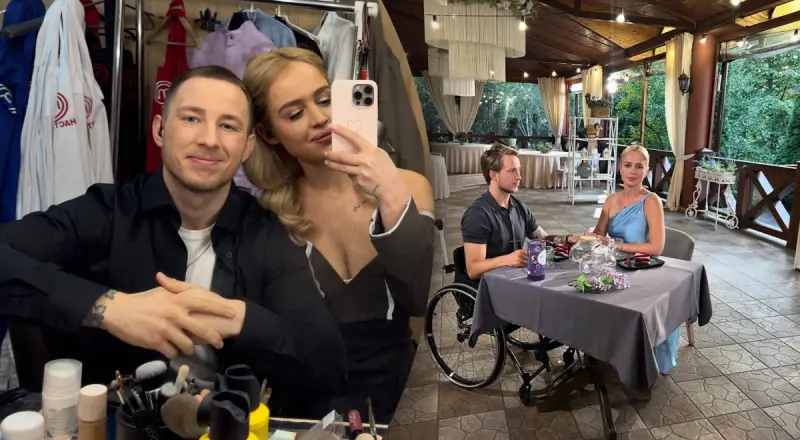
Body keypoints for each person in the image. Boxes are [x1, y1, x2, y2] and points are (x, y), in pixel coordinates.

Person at [0, 66, 347, 417]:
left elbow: (327, 363)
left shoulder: (266, 233)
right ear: (160, 130)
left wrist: (240, 319)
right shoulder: (106, 212)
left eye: (228, 126)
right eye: (192, 119)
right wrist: (108, 307)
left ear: (247, 147)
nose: (209, 139)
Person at [240, 47, 435, 423]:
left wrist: (391, 195)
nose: (320, 118)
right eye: (295, 114)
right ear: (268, 133)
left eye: (325, 99)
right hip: (306, 407)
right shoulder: (269, 216)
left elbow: (415, 299)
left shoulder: (409, 186)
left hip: (399, 394)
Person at [589, 144, 676, 373]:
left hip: (644, 269)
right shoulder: (610, 200)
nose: (633, 171)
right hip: (617, 265)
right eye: (628, 165)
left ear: (647, 171)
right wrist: (587, 239)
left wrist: (615, 245)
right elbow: (599, 236)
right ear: (620, 168)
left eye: (639, 166)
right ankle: (601, 348)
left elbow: (656, 247)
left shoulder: (652, 201)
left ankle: (632, 357)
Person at [461, 144, 580, 282]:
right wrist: (507, 259)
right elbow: (473, 270)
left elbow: (543, 238)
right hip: (488, 286)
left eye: (519, 170)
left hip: (511, 280)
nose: (519, 176)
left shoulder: (519, 207)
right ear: (493, 175)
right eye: (512, 170)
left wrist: (568, 239)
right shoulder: (478, 215)